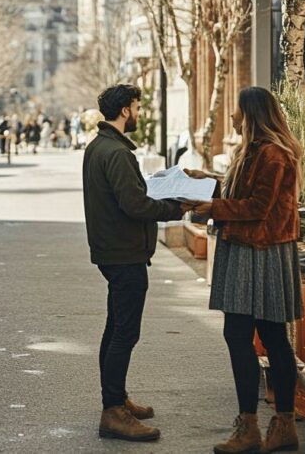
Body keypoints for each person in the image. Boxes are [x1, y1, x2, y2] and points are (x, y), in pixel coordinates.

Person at [185, 87, 303, 454]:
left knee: (260, 336)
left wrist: (212, 207)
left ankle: (265, 426)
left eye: (236, 112)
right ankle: (264, 424)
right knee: (258, 336)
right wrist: (207, 181)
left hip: (261, 253)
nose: (232, 118)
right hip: (251, 250)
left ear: (250, 115)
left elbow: (257, 207)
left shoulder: (273, 154)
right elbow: (244, 193)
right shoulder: (253, 152)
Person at [83, 84, 189, 442]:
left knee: (116, 328)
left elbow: (127, 196)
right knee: (125, 331)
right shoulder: (116, 152)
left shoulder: (100, 147)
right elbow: (136, 205)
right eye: (138, 107)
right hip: (124, 252)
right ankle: (112, 410)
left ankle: (116, 398)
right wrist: (176, 207)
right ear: (125, 111)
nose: (140, 114)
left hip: (114, 251)